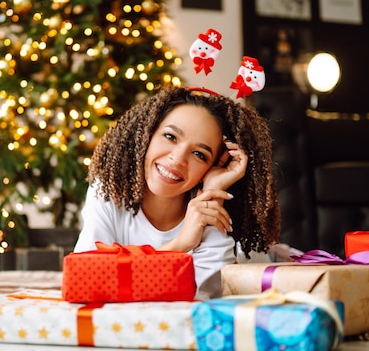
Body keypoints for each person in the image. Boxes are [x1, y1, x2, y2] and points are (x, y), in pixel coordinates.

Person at [73, 85, 280, 298]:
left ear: (212, 166)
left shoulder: (211, 207)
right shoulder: (108, 191)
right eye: (170, 137)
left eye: (199, 154)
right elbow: (86, 281)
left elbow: (197, 301)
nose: (178, 159)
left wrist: (211, 192)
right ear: (147, 133)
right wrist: (180, 245)